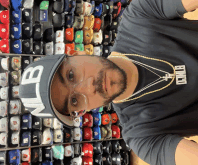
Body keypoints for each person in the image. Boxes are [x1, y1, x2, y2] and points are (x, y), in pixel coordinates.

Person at [19, 0, 198, 164]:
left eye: (71, 75)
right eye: (74, 100)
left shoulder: (138, 17)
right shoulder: (142, 136)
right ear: (81, 111)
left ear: (77, 53)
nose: (88, 87)